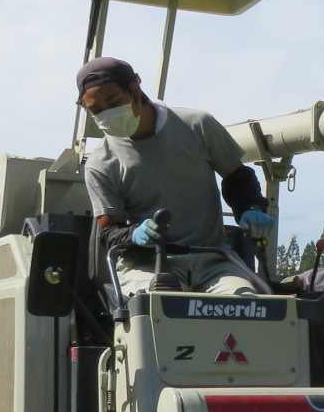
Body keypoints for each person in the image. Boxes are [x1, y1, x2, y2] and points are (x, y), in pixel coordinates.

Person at [74, 55, 275, 297]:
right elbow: (109, 231)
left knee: (244, 304)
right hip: (146, 266)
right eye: (96, 110)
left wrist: (251, 207)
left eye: (114, 102)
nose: (107, 114)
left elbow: (237, 177)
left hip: (213, 261)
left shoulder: (197, 125)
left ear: (135, 86)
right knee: (163, 304)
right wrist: (133, 234)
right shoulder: (100, 163)